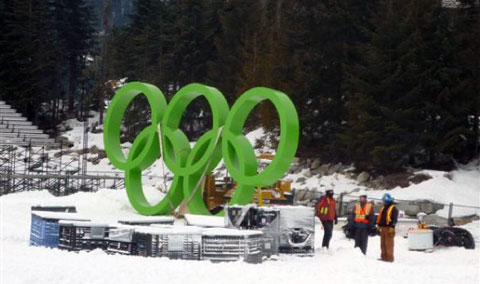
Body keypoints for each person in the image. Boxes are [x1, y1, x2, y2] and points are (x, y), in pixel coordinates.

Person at [376, 193, 398, 262]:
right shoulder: (384, 208)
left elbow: (394, 219)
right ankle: (384, 257)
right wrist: (379, 225)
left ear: (387, 200)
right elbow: (381, 218)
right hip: (383, 228)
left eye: (384, 201)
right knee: (383, 244)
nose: (383, 202)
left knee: (389, 244)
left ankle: (389, 258)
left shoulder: (393, 209)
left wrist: (392, 226)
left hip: (389, 228)